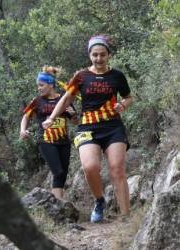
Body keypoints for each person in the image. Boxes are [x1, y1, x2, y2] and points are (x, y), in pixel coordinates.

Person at [42, 35, 133, 222]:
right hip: (87, 127)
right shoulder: (81, 76)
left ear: (109, 55)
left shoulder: (117, 76)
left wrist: (123, 105)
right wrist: (51, 117)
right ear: (89, 55)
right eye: (95, 55)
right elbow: (66, 99)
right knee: (90, 167)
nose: (98, 59)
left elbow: (129, 97)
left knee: (117, 169)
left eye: (102, 55)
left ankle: (126, 218)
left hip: (113, 127)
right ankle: (100, 201)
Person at [20, 66, 77, 200]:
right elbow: (26, 117)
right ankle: (57, 203)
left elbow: (75, 121)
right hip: (45, 141)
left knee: (62, 174)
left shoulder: (63, 99)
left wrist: (73, 115)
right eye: (38, 86)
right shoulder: (37, 101)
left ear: (50, 85)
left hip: (64, 141)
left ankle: (59, 203)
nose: (38, 88)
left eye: (41, 85)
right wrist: (23, 130)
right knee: (57, 171)